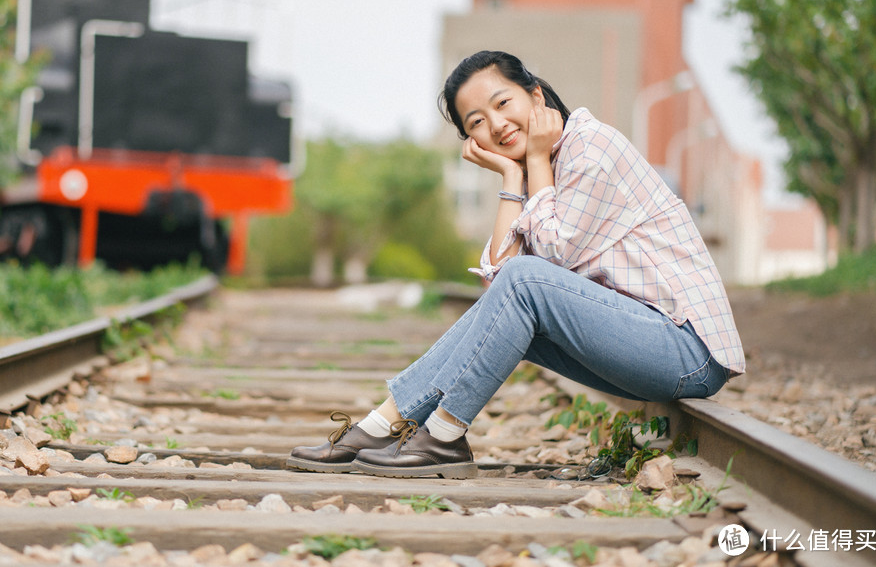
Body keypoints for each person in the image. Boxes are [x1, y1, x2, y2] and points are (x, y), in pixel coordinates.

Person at [287, 50, 745, 479]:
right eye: (478, 122)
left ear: (537, 96)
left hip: (688, 349)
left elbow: (547, 262)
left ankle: (444, 435)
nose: (498, 125)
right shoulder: (535, 168)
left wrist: (535, 161)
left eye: (503, 102)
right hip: (651, 343)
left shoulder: (591, 147)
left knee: (525, 282)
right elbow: (500, 286)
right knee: (509, 305)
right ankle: (382, 423)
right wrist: (513, 176)